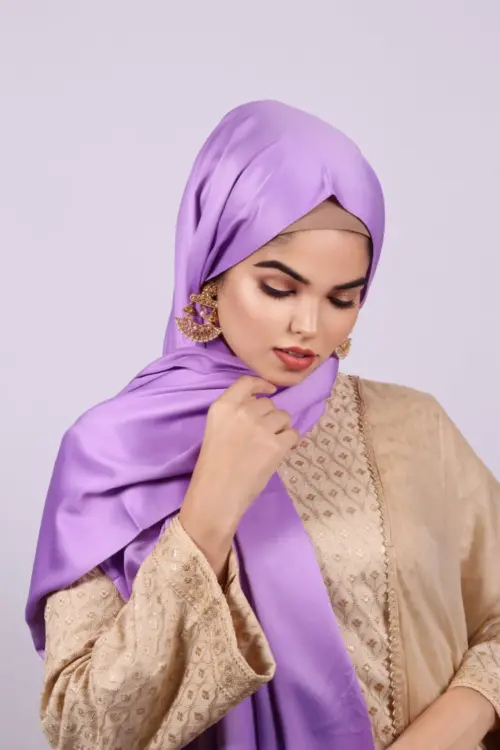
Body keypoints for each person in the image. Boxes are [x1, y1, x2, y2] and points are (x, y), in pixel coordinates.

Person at [26, 101, 499, 750]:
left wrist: (456, 723)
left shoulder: (414, 427)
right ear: (212, 269)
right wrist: (207, 513)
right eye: (279, 288)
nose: (310, 326)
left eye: (343, 297)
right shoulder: (112, 453)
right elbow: (84, 730)